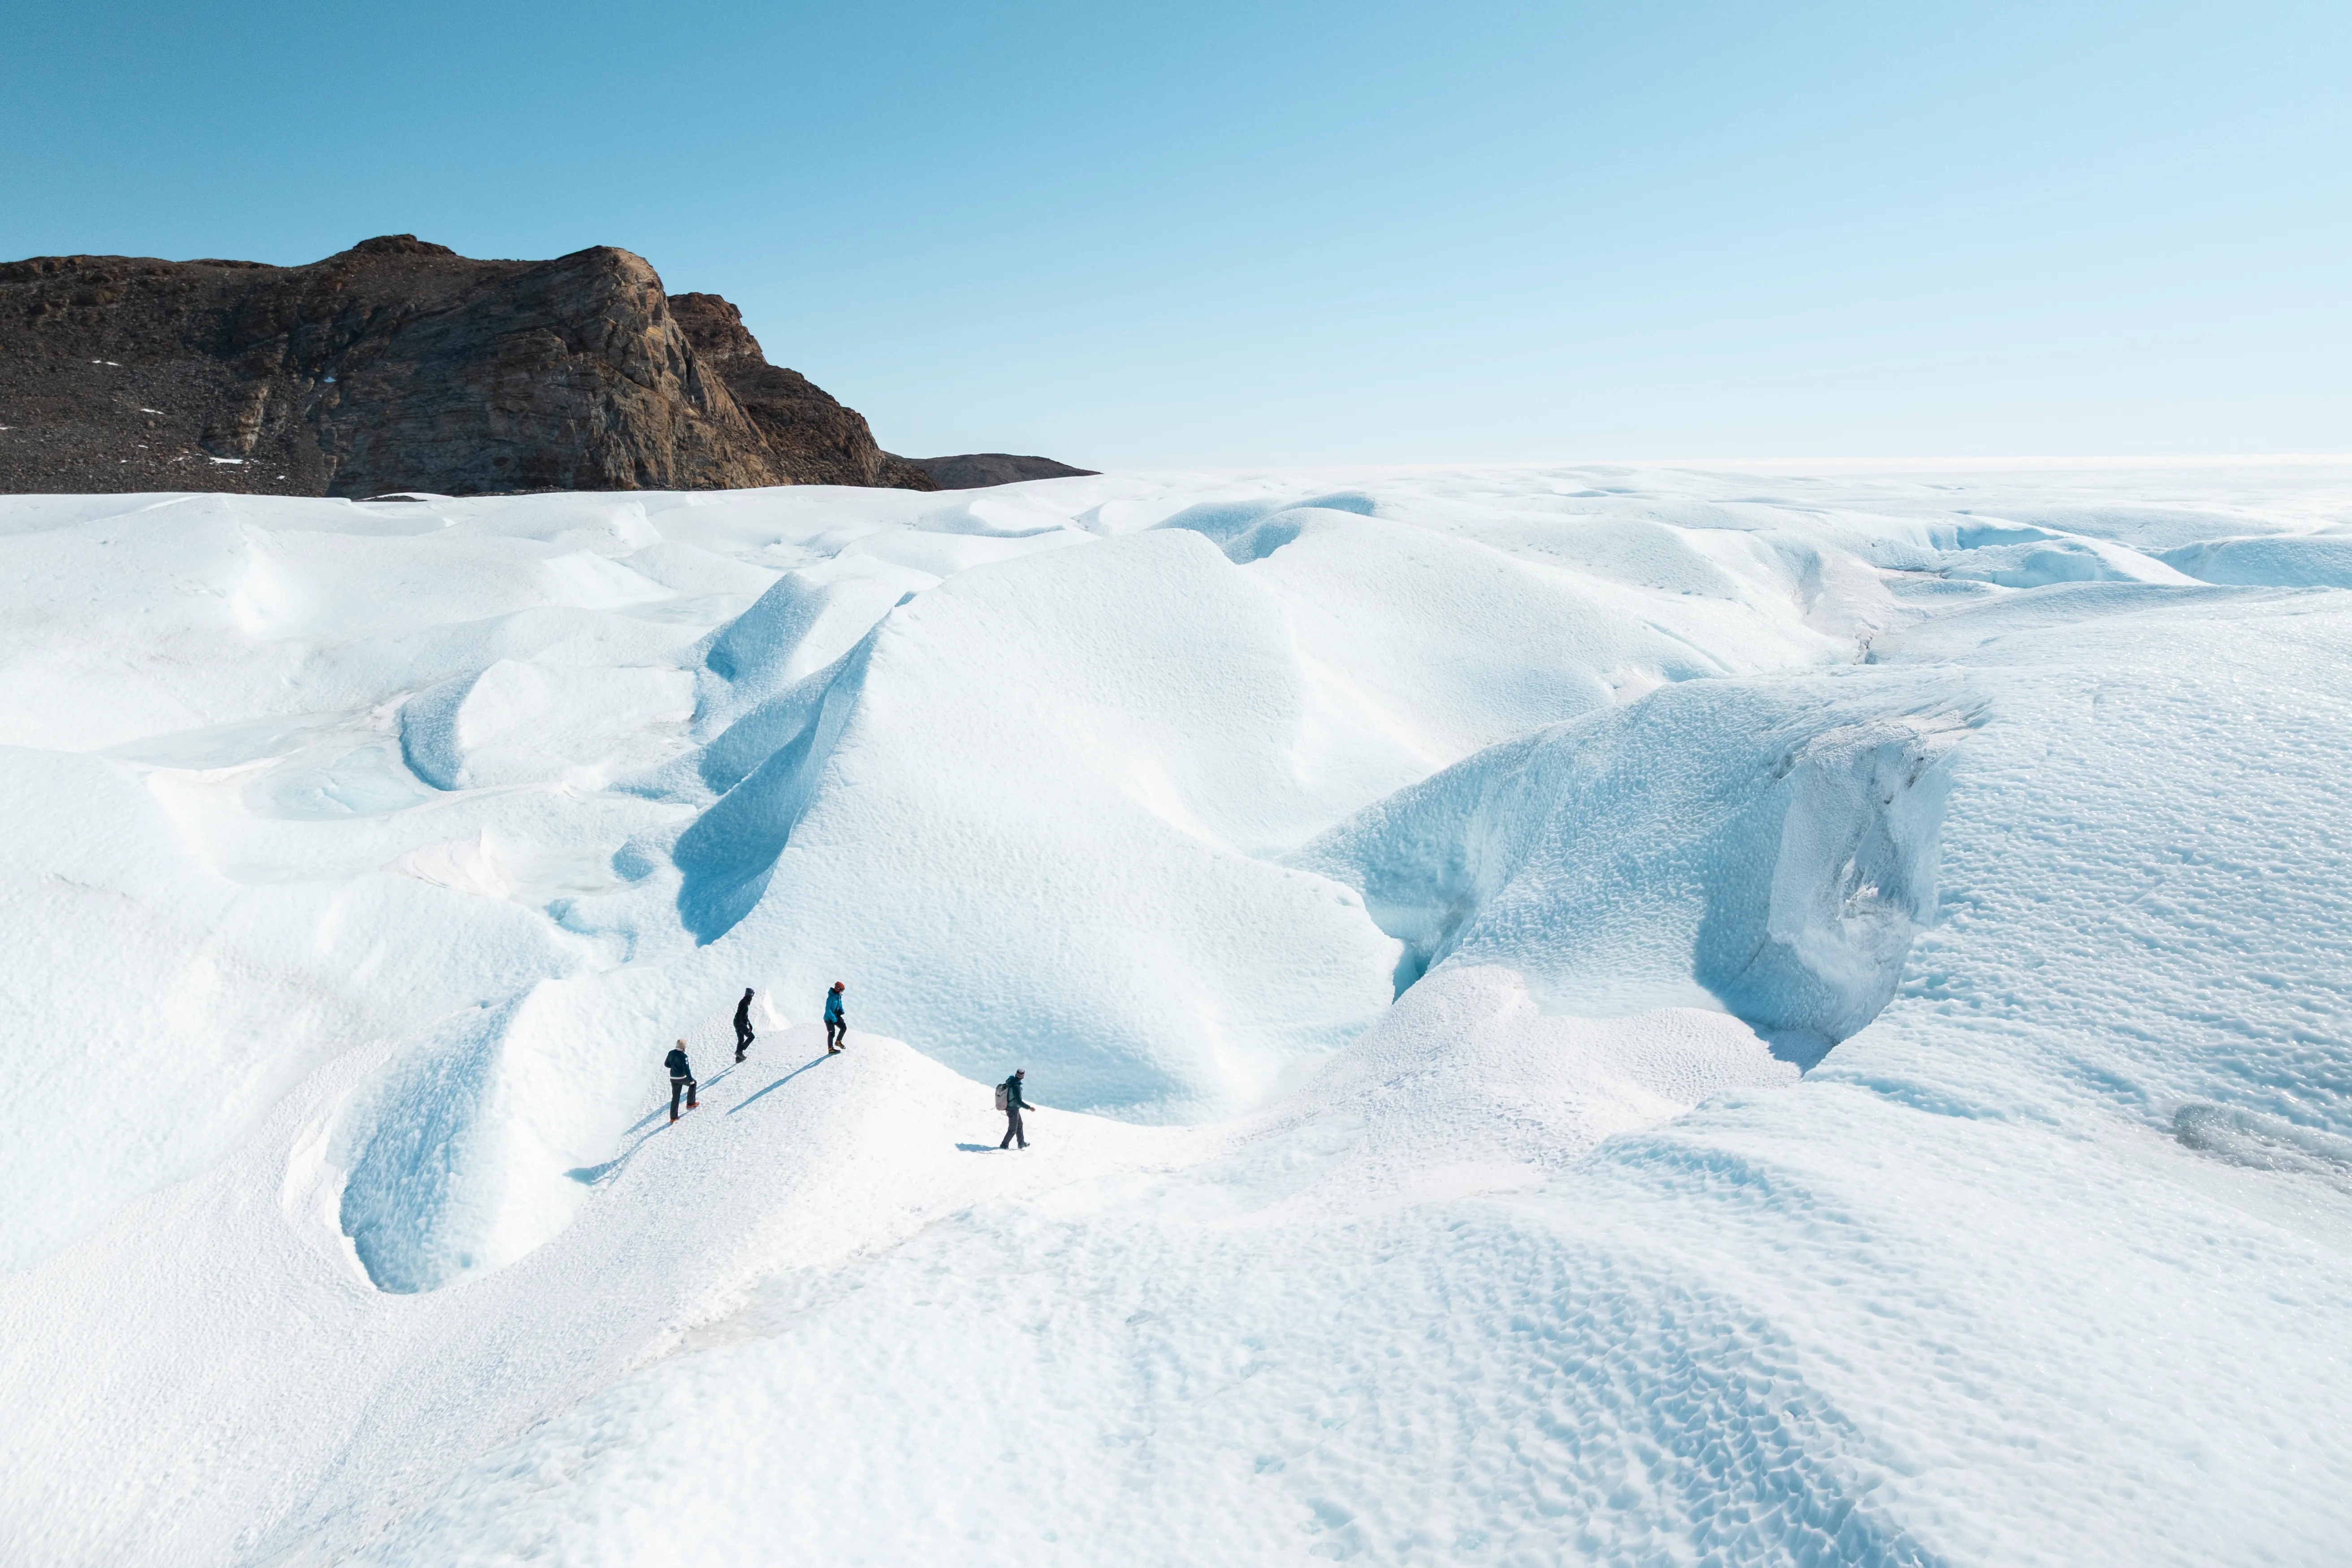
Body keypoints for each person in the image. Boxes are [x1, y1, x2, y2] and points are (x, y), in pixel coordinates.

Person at [665, 1039, 697, 1121]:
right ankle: (691, 1103)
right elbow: (687, 1070)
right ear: (684, 1047)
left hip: (673, 1078)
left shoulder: (671, 1053)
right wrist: (691, 1080)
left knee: (675, 1097)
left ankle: (673, 1117)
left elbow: (667, 1064)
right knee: (693, 1084)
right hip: (682, 1078)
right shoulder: (684, 1056)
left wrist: (674, 1067)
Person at [999, 1068, 1030, 1150]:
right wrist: (1029, 1108)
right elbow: (1019, 1102)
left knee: (1020, 1125)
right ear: (1022, 1077)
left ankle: (1021, 1144)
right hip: (1013, 1110)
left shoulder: (1011, 1083)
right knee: (1013, 1129)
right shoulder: (1017, 1087)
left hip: (1012, 1109)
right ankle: (1004, 1145)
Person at [824, 981, 847, 1053]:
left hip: (836, 1016)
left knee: (844, 1028)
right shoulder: (830, 998)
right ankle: (831, 1049)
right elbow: (828, 1011)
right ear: (838, 990)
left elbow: (840, 1004)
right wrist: (834, 1019)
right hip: (829, 1019)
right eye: (842, 990)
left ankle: (838, 1042)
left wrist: (842, 1011)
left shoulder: (838, 996)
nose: (842, 992)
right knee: (832, 1033)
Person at [734, 988, 756, 1062]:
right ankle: (739, 1052)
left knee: (741, 1039)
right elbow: (741, 1014)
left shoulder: (744, 1002)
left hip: (738, 1023)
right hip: (740, 1023)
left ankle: (738, 1058)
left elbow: (744, 1015)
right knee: (751, 1037)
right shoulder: (744, 1003)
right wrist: (740, 1025)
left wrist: (749, 1024)